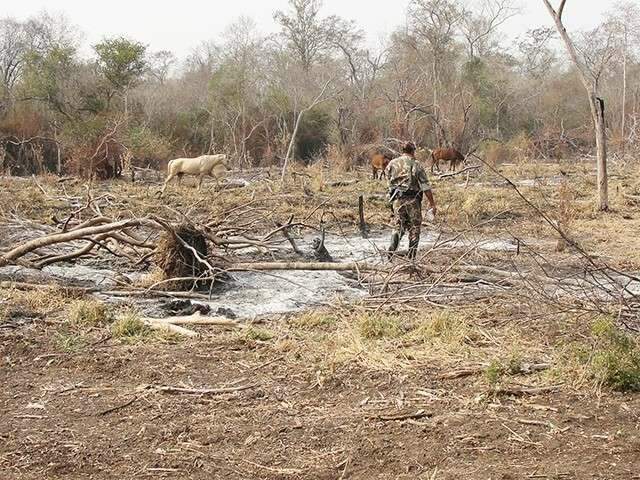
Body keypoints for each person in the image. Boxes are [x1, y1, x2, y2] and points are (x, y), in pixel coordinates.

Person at [385, 142, 437, 260]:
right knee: (414, 228)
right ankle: (411, 258)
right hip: (412, 200)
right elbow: (426, 187)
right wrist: (432, 204)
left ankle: (392, 250)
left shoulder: (392, 163)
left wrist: (390, 203)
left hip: (397, 200)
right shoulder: (416, 164)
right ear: (413, 150)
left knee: (398, 226)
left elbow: (389, 184)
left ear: (402, 150)